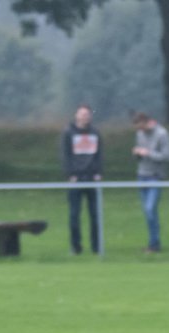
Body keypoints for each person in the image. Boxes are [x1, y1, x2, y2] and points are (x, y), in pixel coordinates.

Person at [62, 104, 102, 255]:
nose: (85, 117)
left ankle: (97, 247)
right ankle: (75, 247)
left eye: (87, 114)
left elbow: (99, 154)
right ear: (76, 115)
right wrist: (70, 174)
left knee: (95, 215)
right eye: (82, 114)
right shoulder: (68, 133)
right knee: (74, 215)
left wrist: (99, 172)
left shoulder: (95, 133)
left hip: (92, 178)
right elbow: (65, 154)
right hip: (76, 179)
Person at [132, 111, 169, 254]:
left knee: (150, 209)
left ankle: (155, 244)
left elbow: (168, 156)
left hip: (155, 177)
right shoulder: (139, 134)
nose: (140, 131)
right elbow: (141, 155)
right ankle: (153, 243)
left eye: (141, 128)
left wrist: (148, 153)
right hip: (142, 175)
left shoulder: (162, 134)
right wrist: (137, 154)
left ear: (147, 122)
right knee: (148, 212)